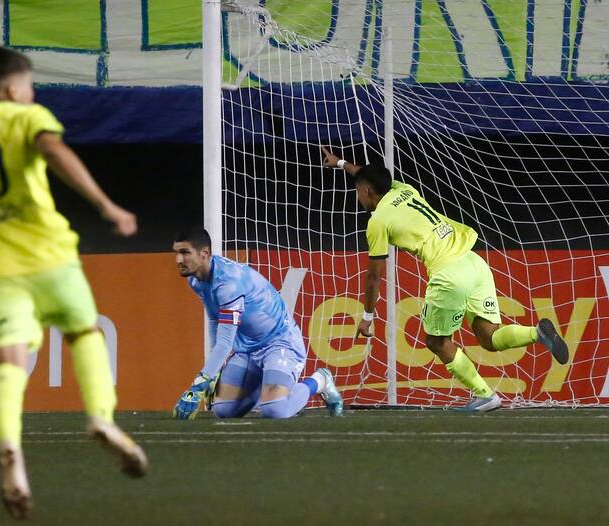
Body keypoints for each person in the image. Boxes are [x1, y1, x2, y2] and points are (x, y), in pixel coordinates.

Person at [0, 45, 147, 520]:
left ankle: (10, 453)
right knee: (85, 334)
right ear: (12, 88)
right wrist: (106, 205)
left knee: (9, 363)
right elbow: (53, 149)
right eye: (30, 86)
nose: (32, 93)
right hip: (50, 257)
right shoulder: (26, 117)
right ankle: (101, 418)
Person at [321, 147, 569, 411]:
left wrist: (367, 316)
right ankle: (537, 333)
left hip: (448, 275)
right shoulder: (402, 189)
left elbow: (374, 276)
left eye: (358, 191)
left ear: (366, 191)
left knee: (437, 342)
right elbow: (368, 175)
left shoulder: (378, 221)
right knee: (489, 337)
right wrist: (341, 163)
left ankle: (485, 394)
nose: (359, 196)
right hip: (474, 263)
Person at [172, 227, 343, 420]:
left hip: (279, 343)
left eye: (185, 253)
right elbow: (214, 319)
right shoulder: (196, 280)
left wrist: (198, 386)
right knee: (224, 411)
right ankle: (269, 389)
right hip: (247, 350)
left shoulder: (228, 284)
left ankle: (320, 380)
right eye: (176, 253)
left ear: (204, 253)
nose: (178, 260)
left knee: (275, 410)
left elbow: (225, 343)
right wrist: (214, 371)